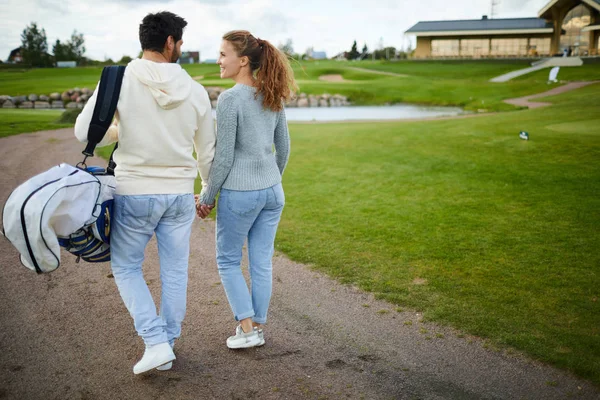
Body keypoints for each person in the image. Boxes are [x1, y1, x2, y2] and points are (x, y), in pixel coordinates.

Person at [74, 11, 215, 374]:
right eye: (180, 42)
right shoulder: (196, 91)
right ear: (170, 42)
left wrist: (121, 131)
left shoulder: (117, 79)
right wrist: (206, 192)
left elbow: (84, 133)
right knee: (175, 271)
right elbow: (207, 153)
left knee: (125, 266)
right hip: (181, 195)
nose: (181, 47)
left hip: (134, 190)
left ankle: (155, 342)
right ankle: (166, 342)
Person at [197, 30, 296, 349]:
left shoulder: (229, 99)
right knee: (261, 262)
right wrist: (270, 179)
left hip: (241, 193)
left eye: (223, 54)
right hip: (272, 191)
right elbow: (284, 146)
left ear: (242, 61)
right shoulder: (272, 93)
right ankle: (256, 328)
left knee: (227, 261)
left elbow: (223, 158)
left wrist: (208, 196)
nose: (218, 60)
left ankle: (248, 329)